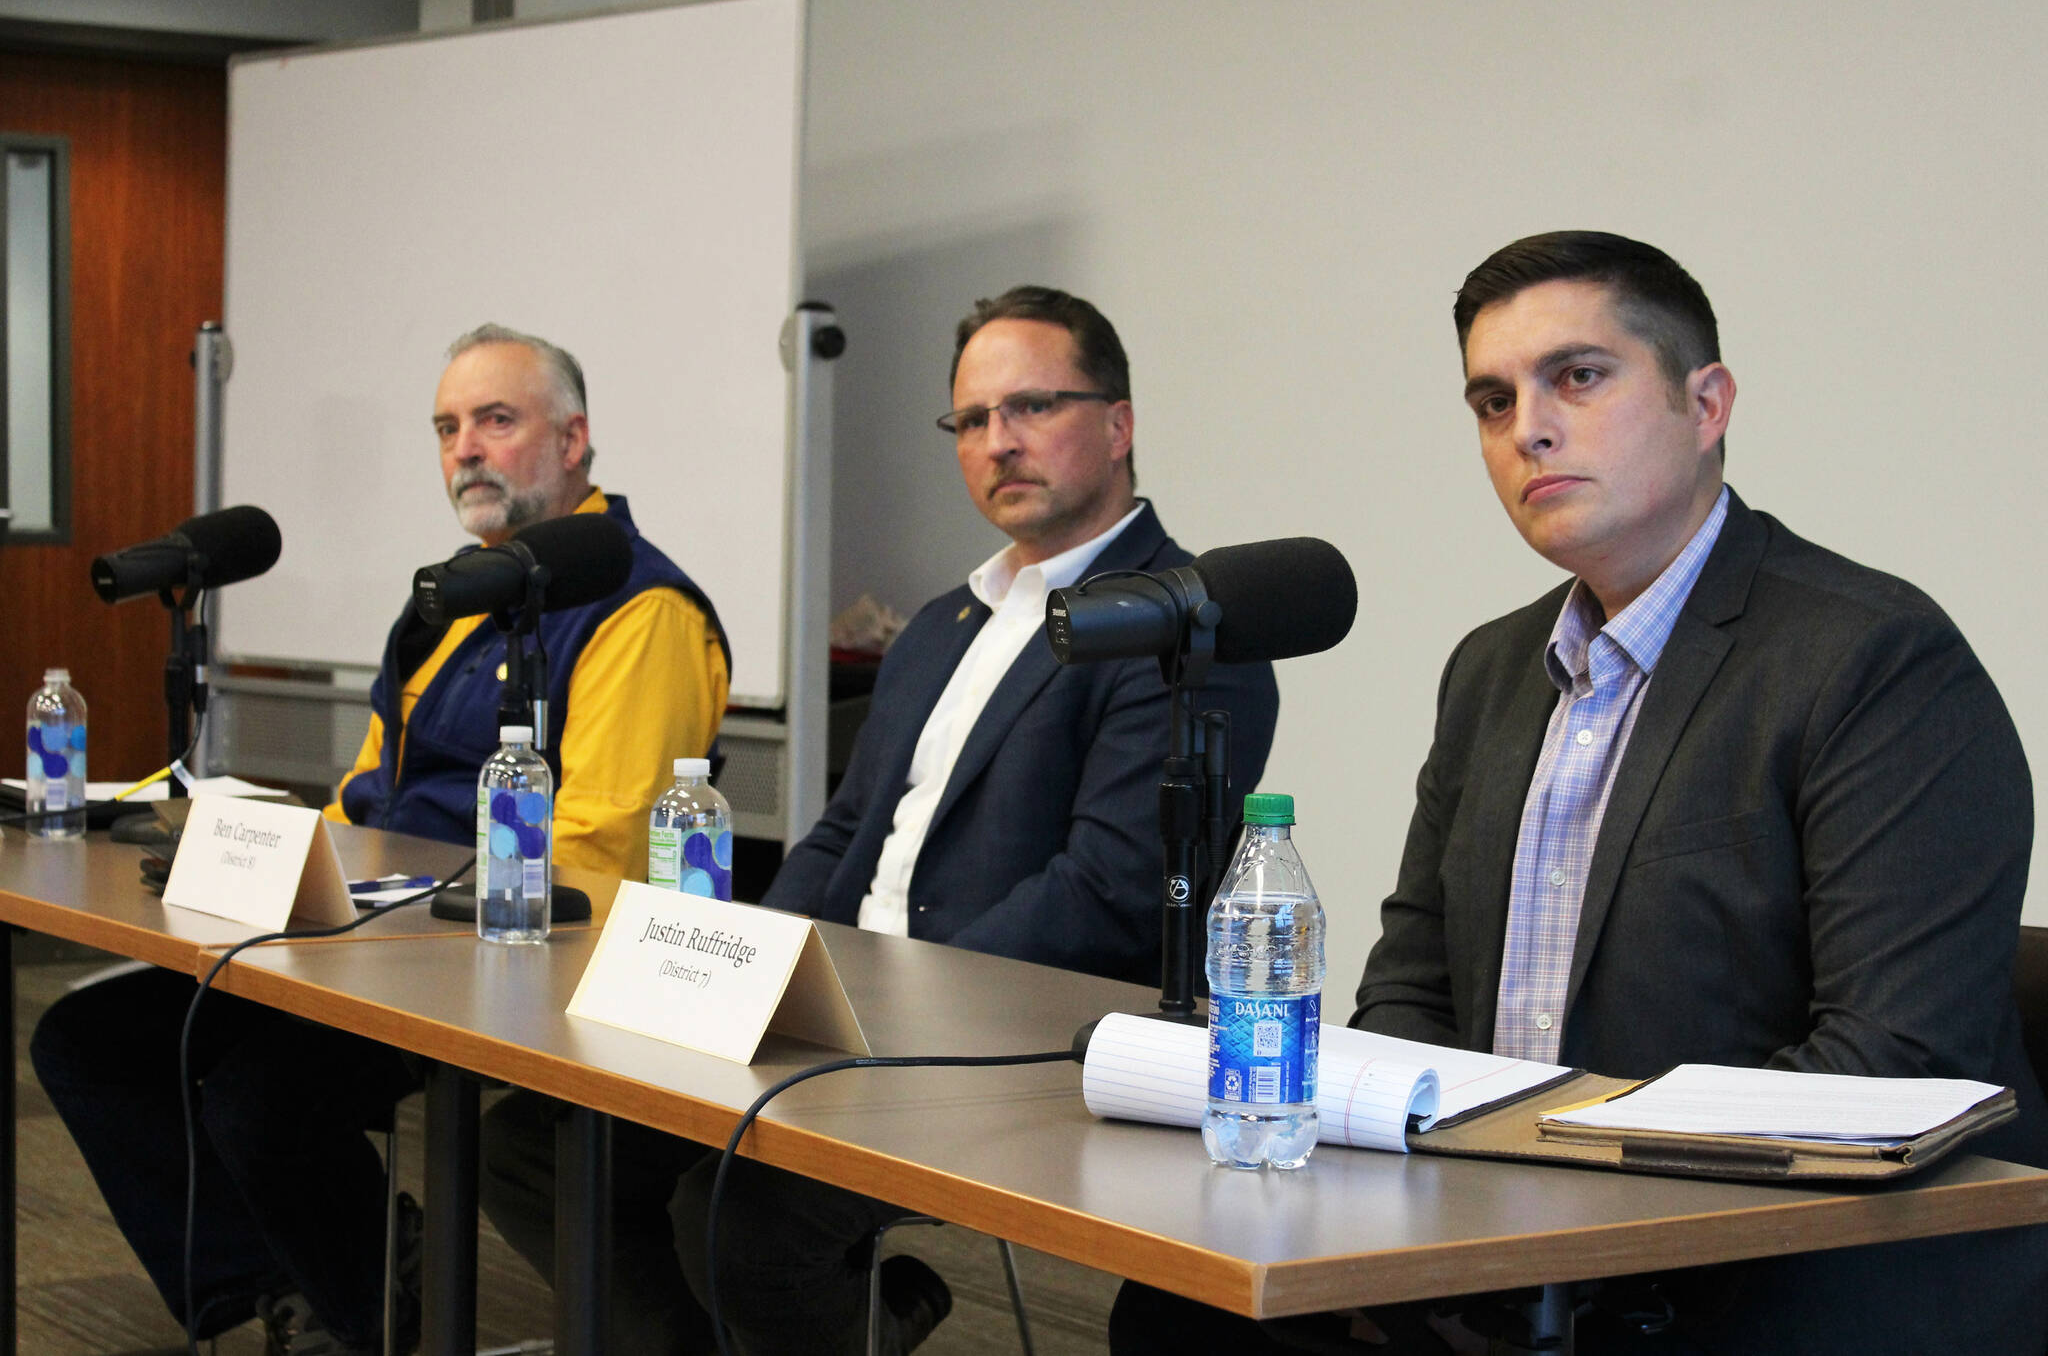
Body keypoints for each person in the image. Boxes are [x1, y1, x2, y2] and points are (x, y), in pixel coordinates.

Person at [1110, 232, 2048, 1354]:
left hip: (1771, 1275)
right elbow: (1410, 983)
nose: (1528, 428)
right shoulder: (1491, 669)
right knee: (1181, 1312)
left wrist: (1553, 1171)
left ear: (1706, 404)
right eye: (1490, 401)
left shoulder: (1873, 659)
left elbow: (1886, 1069)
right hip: (1512, 1253)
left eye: (1578, 377)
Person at [477, 285, 1282, 1354]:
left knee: (740, 1213)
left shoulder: (1183, 625)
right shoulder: (946, 621)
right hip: (848, 1021)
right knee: (535, 1143)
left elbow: (1105, 893)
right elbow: (839, 835)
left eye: (1033, 407)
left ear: (1119, 423)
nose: (999, 442)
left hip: (1008, 1044)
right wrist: (738, 970)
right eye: (973, 420)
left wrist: (867, 1006)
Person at [31, 324, 728, 1356]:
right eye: (447, 427)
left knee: (263, 1101)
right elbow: (366, 798)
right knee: (88, 1044)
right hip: (368, 935)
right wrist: (258, 856)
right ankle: (276, 1290)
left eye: (497, 420)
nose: (464, 450)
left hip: (501, 957)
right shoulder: (455, 596)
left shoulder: (643, 607)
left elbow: (598, 854)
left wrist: (379, 906)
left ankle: (381, 1318)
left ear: (575, 440)